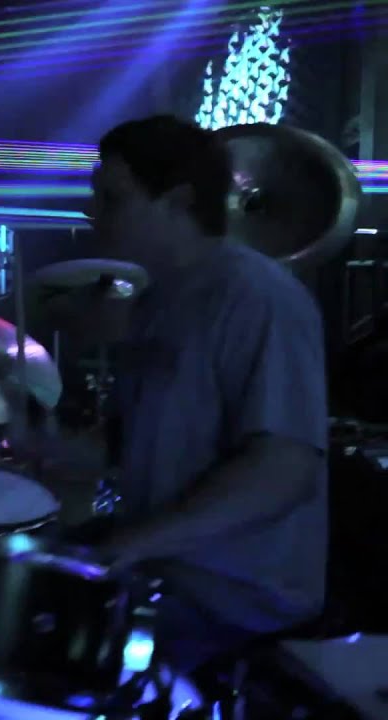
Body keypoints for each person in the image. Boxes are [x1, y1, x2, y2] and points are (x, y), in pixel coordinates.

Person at [83, 115, 327, 674]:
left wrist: (133, 541)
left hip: (236, 603)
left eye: (112, 198)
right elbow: (134, 449)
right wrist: (34, 440)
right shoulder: (157, 301)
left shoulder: (258, 296)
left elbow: (283, 470)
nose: (93, 212)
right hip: (168, 578)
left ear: (178, 201)